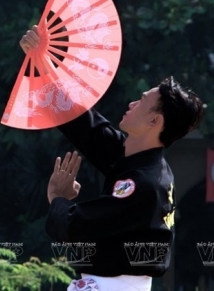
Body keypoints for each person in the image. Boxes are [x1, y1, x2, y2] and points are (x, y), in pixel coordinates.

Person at [20, 25, 205, 291]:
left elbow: (77, 227)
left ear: (154, 120)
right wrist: (43, 61)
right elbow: (85, 124)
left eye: (141, 101)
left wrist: (57, 197)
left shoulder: (143, 183)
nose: (132, 104)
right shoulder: (141, 160)